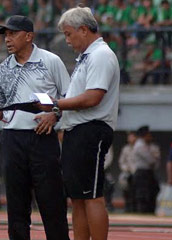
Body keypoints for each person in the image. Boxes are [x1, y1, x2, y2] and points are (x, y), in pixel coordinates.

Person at [0, 15, 70, 240]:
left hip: (42, 138)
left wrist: (53, 116)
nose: (7, 39)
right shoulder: (2, 68)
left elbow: (69, 98)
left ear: (29, 36)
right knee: (16, 202)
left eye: (13, 33)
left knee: (52, 200)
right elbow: (1, 110)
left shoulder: (50, 61)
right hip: (11, 139)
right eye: (5, 34)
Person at [39, 6, 120, 240]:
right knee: (78, 197)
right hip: (78, 131)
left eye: (68, 34)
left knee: (92, 195)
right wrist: (56, 110)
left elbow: (93, 97)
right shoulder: (88, 57)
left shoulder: (100, 55)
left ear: (83, 30)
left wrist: (56, 105)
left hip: (90, 131)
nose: (67, 40)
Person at [131, 125, 160, 213]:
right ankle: (142, 211)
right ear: (144, 135)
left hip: (148, 172)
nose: (150, 136)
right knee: (142, 194)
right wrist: (154, 157)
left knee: (151, 192)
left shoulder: (147, 145)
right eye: (148, 134)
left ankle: (149, 211)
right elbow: (151, 159)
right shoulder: (140, 145)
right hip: (142, 172)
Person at [118, 131, 137, 213]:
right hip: (127, 172)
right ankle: (127, 206)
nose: (130, 139)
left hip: (137, 172)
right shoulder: (126, 148)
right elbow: (121, 161)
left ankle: (135, 207)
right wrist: (126, 168)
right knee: (123, 182)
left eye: (132, 137)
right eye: (129, 137)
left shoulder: (139, 147)